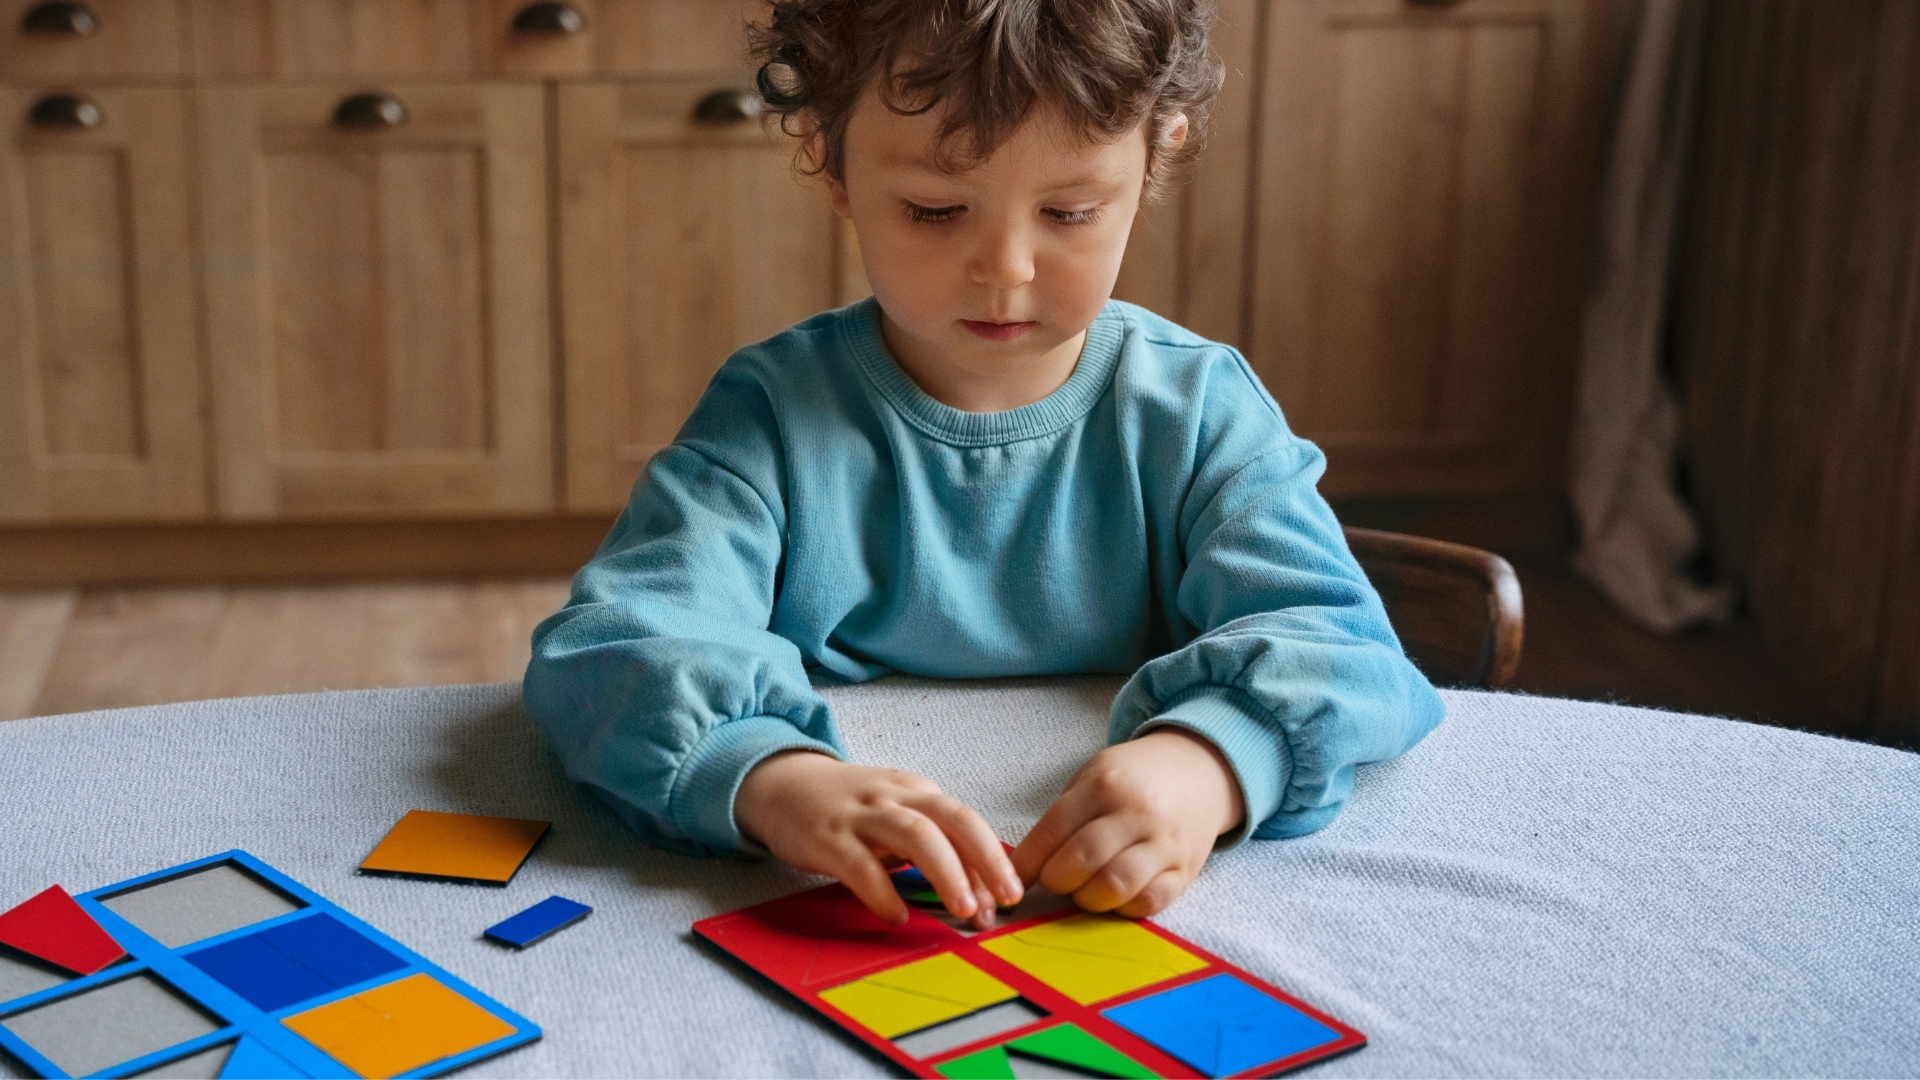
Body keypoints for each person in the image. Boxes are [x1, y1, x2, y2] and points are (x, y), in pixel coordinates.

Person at [524, 0, 1443, 930]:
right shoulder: (770, 416)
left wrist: (1209, 763)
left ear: (1156, 158)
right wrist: (772, 780)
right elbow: (616, 646)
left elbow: (1343, 648)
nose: (1005, 269)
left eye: (1071, 211)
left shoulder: (1202, 413)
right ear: (831, 159)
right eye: (935, 210)